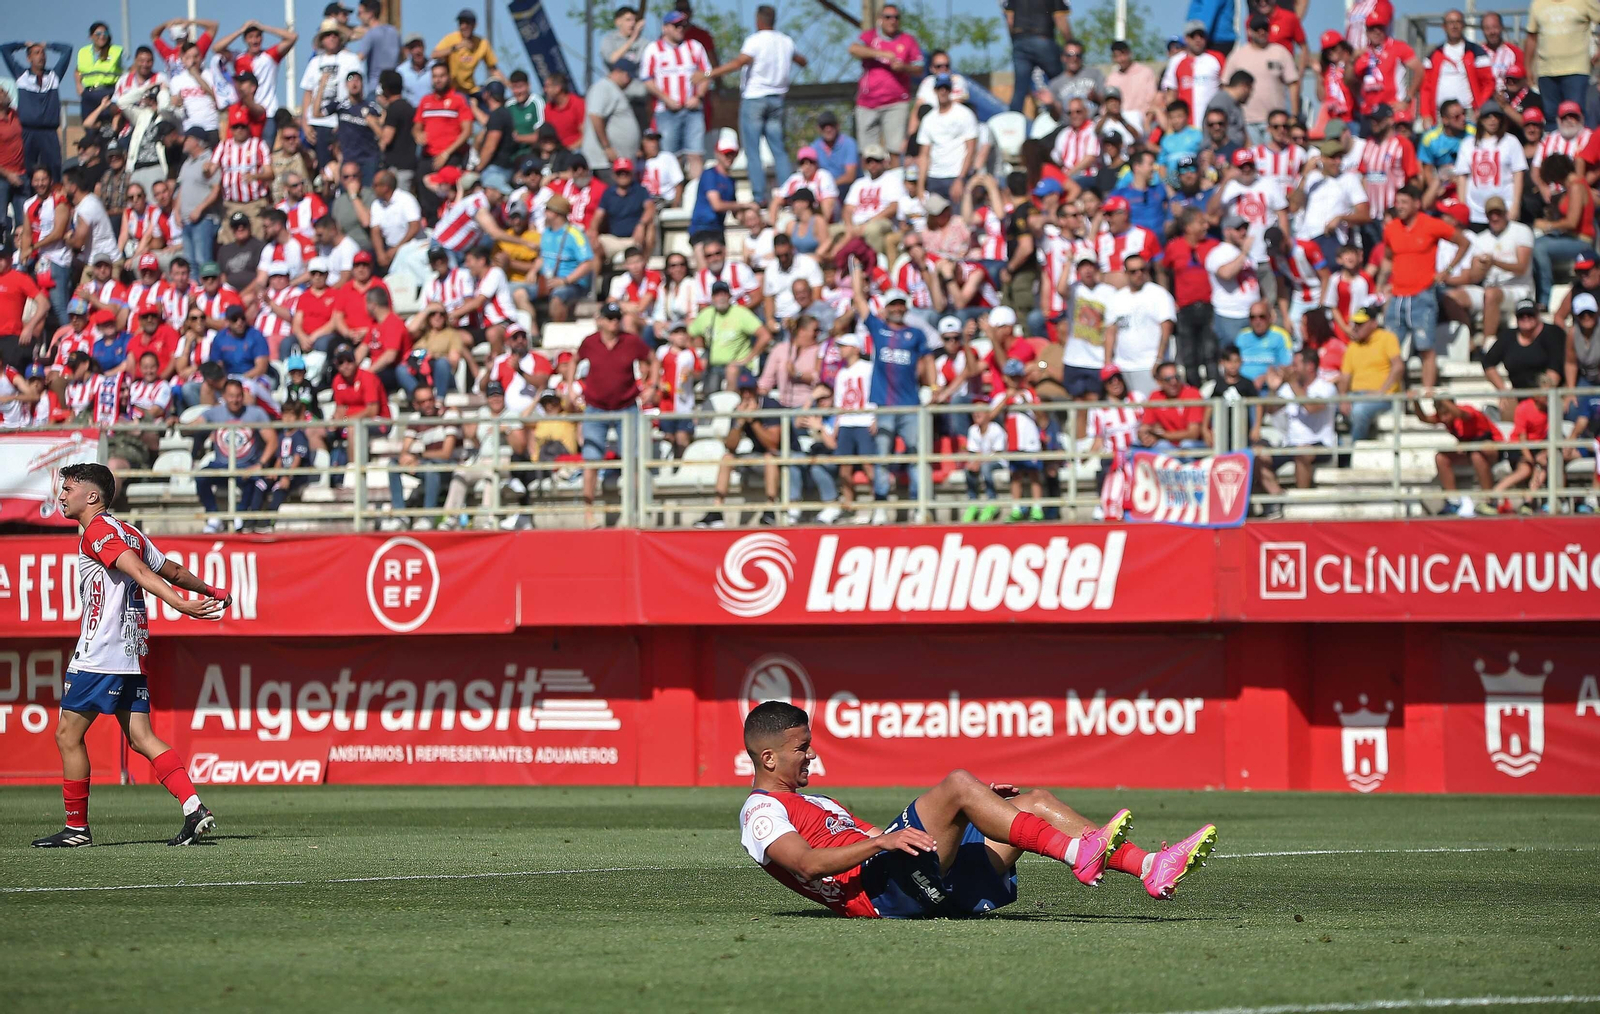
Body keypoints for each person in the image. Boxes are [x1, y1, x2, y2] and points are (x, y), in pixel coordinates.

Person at [738, 700, 1218, 919]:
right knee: (956, 784)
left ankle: (1150, 866)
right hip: (882, 895)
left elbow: (890, 837)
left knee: (1033, 802)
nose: (812, 755)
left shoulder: (814, 801)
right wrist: (882, 841)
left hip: (908, 880)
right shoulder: (761, 812)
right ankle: (1078, 853)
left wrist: (980, 805)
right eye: (802, 747)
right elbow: (807, 863)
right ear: (769, 758)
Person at [29, 463, 228, 849]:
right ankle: (194, 808)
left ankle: (76, 829)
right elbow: (171, 569)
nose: (62, 495)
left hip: (101, 652)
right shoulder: (129, 531)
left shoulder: (99, 530)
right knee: (141, 736)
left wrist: (180, 604)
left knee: (68, 734)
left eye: (68, 489)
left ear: (92, 496)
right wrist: (210, 590)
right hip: (133, 652)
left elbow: (137, 569)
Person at [851, 266, 933, 520]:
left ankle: (919, 507)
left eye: (900, 305)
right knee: (882, 458)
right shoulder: (878, 328)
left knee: (916, 456)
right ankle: (880, 507)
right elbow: (859, 300)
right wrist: (856, 273)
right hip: (885, 406)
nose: (897, 309)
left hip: (910, 405)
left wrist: (933, 388)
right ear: (886, 308)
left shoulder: (916, 334)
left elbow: (928, 360)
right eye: (893, 305)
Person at [705, 6, 804, 206]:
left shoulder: (755, 41)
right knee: (779, 150)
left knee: (753, 150)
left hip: (755, 98)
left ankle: (759, 197)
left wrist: (709, 74)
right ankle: (787, 193)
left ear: (759, 20)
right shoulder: (786, 41)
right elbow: (801, 60)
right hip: (777, 99)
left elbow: (738, 62)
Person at [1377, 184, 1469, 388]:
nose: (1399, 206)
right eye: (1397, 202)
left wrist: (1447, 270)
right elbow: (1388, 258)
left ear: (1416, 204)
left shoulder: (1431, 224)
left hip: (1422, 295)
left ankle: (1427, 393)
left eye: (1404, 202)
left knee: (1426, 347)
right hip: (1397, 296)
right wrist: (1381, 284)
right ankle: (1394, 392)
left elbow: (1463, 242)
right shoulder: (1391, 229)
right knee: (1390, 350)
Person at [577, 302, 656, 522]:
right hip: (596, 407)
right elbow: (575, 360)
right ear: (601, 320)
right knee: (591, 460)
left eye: (617, 318)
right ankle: (588, 514)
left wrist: (652, 386)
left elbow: (652, 359)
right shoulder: (590, 342)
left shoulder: (631, 341)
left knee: (633, 460)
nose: (614, 322)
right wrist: (572, 387)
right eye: (610, 318)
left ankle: (636, 511)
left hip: (626, 407)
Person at [849, 3, 923, 160]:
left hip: (896, 103)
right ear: (880, 19)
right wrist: (881, 53)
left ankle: (894, 176)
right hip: (867, 103)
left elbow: (919, 68)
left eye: (896, 17)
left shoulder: (908, 40)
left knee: (895, 150)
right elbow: (854, 49)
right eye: (888, 17)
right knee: (868, 153)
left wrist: (904, 67)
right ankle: (870, 177)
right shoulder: (870, 36)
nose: (892, 21)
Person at [641, 12, 711, 179]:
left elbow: (707, 74)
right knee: (670, 157)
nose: (680, 29)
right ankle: (675, 192)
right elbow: (646, 79)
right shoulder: (653, 49)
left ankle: (695, 189)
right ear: (665, 28)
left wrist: (698, 96)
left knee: (695, 154)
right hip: (666, 112)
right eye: (676, 25)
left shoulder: (695, 46)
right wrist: (666, 99)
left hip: (693, 111)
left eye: (682, 25)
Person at [1414, 394, 1502, 516]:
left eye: (1446, 414)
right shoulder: (1446, 417)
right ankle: (1453, 501)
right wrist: (1415, 401)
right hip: (1471, 451)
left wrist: (1442, 399)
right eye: (1441, 415)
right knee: (1441, 457)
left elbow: (1462, 415)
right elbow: (1424, 418)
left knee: (1477, 455)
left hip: (1494, 448)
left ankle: (1489, 500)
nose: (1443, 419)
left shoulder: (1467, 410)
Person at [0, 40, 73, 179]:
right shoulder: (21, 75)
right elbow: (4, 49)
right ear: (29, 58)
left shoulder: (53, 76)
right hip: (28, 132)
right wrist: (24, 44)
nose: (41, 56)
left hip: (49, 132)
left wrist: (48, 45)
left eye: (43, 53)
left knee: (54, 169)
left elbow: (67, 50)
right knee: (28, 170)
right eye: (37, 53)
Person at [1531, 152, 1593, 308]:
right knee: (1532, 242)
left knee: (1540, 247)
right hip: (1569, 238)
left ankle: (1544, 298)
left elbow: (1572, 222)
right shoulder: (1571, 188)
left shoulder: (1577, 186)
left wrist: (1548, 225)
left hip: (1581, 240)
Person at [1224, 16, 1298, 144]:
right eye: (1257, 29)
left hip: (1276, 123)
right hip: (1246, 122)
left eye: (1265, 28)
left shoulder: (1280, 52)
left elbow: (1293, 84)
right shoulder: (1237, 56)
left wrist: (1294, 115)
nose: (1261, 32)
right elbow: (1226, 86)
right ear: (1249, 31)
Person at [1525, 0, 1600, 125]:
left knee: (1575, 115)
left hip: (1577, 71)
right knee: (1551, 116)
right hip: (1546, 72)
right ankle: (1554, 138)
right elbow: (1531, 37)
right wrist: (1527, 68)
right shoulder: (1538, 3)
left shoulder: (1585, 1)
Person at [1338, 305, 1404, 442]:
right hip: (1356, 395)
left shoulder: (1387, 338)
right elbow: (1345, 376)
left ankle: (1355, 449)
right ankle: (1331, 449)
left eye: (1360, 324)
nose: (1356, 327)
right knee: (1327, 407)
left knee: (1360, 411)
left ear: (1374, 323)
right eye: (1355, 323)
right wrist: (1343, 398)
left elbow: (1398, 366)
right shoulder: (1353, 346)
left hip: (1384, 397)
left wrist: (1381, 392)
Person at [1455, 101, 1526, 226]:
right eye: (1488, 116)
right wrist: (1462, 206)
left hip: (1505, 209)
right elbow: (1462, 177)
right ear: (1481, 120)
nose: (1492, 120)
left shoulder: (1511, 141)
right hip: (1475, 212)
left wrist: (1515, 205)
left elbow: (1518, 174)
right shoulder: (1467, 144)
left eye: (1496, 116)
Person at [914, 75, 978, 204]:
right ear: (935, 90)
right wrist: (920, 186)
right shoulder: (928, 119)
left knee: (958, 216)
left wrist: (961, 178)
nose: (943, 91)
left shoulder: (964, 114)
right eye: (940, 88)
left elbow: (971, 150)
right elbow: (924, 155)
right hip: (934, 177)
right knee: (935, 215)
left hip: (955, 175)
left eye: (946, 88)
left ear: (951, 90)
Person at [538, 195, 598, 324]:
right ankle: (534, 332)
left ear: (556, 213)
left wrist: (565, 281)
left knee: (558, 298)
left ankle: (558, 331)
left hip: (572, 284)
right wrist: (533, 271)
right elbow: (542, 257)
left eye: (547, 209)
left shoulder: (575, 234)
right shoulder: (546, 232)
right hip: (547, 283)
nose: (544, 212)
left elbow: (588, 263)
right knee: (519, 292)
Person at [582, 60, 642, 181]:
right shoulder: (603, 87)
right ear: (620, 72)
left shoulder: (613, 89)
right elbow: (595, 116)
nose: (630, 81)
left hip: (616, 162)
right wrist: (607, 147)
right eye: (629, 76)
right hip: (604, 161)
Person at [432, 7, 507, 99]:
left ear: (474, 25)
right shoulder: (451, 39)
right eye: (461, 23)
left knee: (491, 97)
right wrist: (455, 48)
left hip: (471, 89)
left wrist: (510, 86)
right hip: (454, 90)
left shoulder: (482, 43)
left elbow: (493, 69)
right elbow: (434, 54)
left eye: (467, 23)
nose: (463, 26)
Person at [1162, 22, 1226, 125]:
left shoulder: (1217, 58)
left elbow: (1225, 89)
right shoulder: (1176, 61)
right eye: (1193, 36)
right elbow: (1170, 93)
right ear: (1186, 38)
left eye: (1201, 35)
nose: (1198, 39)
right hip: (1186, 126)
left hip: (1212, 124)